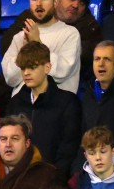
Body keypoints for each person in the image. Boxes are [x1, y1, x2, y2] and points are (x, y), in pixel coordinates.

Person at [5, 41, 82, 177]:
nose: (26, 73)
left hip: (52, 182)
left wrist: (54, 178)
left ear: (47, 67)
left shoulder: (67, 102)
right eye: (23, 68)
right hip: (18, 182)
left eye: (32, 67)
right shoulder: (15, 103)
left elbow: (69, 148)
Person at [2, 0, 82, 95]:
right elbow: (10, 78)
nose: (38, 3)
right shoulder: (19, 37)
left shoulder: (70, 34)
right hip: (23, 105)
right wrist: (24, 51)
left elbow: (61, 72)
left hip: (56, 106)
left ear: (55, 2)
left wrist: (36, 42)